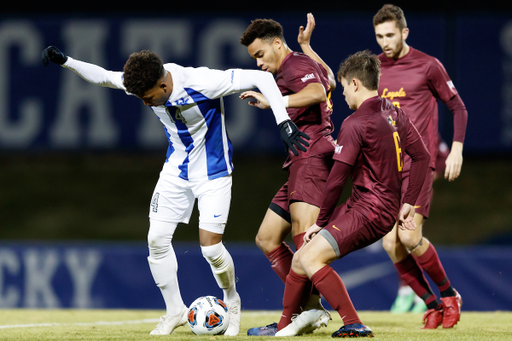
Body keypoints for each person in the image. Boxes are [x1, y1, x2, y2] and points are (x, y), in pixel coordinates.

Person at [42, 46, 310, 336]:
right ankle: (175, 310)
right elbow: (105, 77)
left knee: (210, 249)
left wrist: (283, 120)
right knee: (156, 239)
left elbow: (262, 79)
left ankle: (232, 301)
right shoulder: (144, 82)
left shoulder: (201, 82)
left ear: (164, 84)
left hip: (214, 171)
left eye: (148, 98)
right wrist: (66, 61)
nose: (146, 104)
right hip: (176, 170)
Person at [247, 50, 430, 337]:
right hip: (376, 207)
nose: (342, 94)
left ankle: (352, 322)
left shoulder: (356, 123)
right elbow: (422, 157)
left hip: (368, 210)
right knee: (300, 258)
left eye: (344, 87)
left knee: (309, 258)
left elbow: (336, 179)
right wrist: (409, 202)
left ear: (355, 84)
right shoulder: (395, 113)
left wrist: (320, 222)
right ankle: (284, 326)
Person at [238, 13, 336, 332]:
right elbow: (330, 82)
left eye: (260, 55)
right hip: (298, 159)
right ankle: (310, 306)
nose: (258, 63)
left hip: (312, 155)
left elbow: (320, 93)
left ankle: (303, 312)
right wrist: (308, 47)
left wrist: (274, 102)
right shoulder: (296, 65)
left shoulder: (295, 67)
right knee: (267, 238)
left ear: (277, 44)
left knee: (304, 238)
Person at [373, 4, 467, 328]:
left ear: (404, 32)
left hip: (419, 162)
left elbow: (458, 107)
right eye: (379, 36)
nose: (385, 42)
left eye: (390, 35)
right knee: (389, 242)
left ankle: (448, 295)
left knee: (410, 237)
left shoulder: (428, 66)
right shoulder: (375, 69)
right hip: (388, 168)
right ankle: (432, 304)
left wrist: (455, 150)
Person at [391, 133, 450, 314]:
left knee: (410, 239)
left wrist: (428, 178)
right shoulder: (389, 124)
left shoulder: (423, 128)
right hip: (393, 189)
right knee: (392, 242)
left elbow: (443, 155)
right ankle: (406, 291)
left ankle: (423, 295)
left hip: (416, 188)